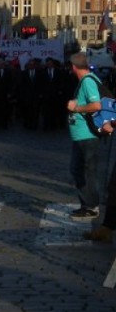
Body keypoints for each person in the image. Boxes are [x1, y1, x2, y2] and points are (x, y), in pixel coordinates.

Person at [66, 52, 102, 219]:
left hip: (86, 135)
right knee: (79, 169)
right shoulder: (88, 79)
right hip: (81, 135)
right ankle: (88, 204)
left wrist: (76, 108)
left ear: (74, 67)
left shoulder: (87, 82)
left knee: (84, 171)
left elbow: (96, 105)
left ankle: (91, 205)